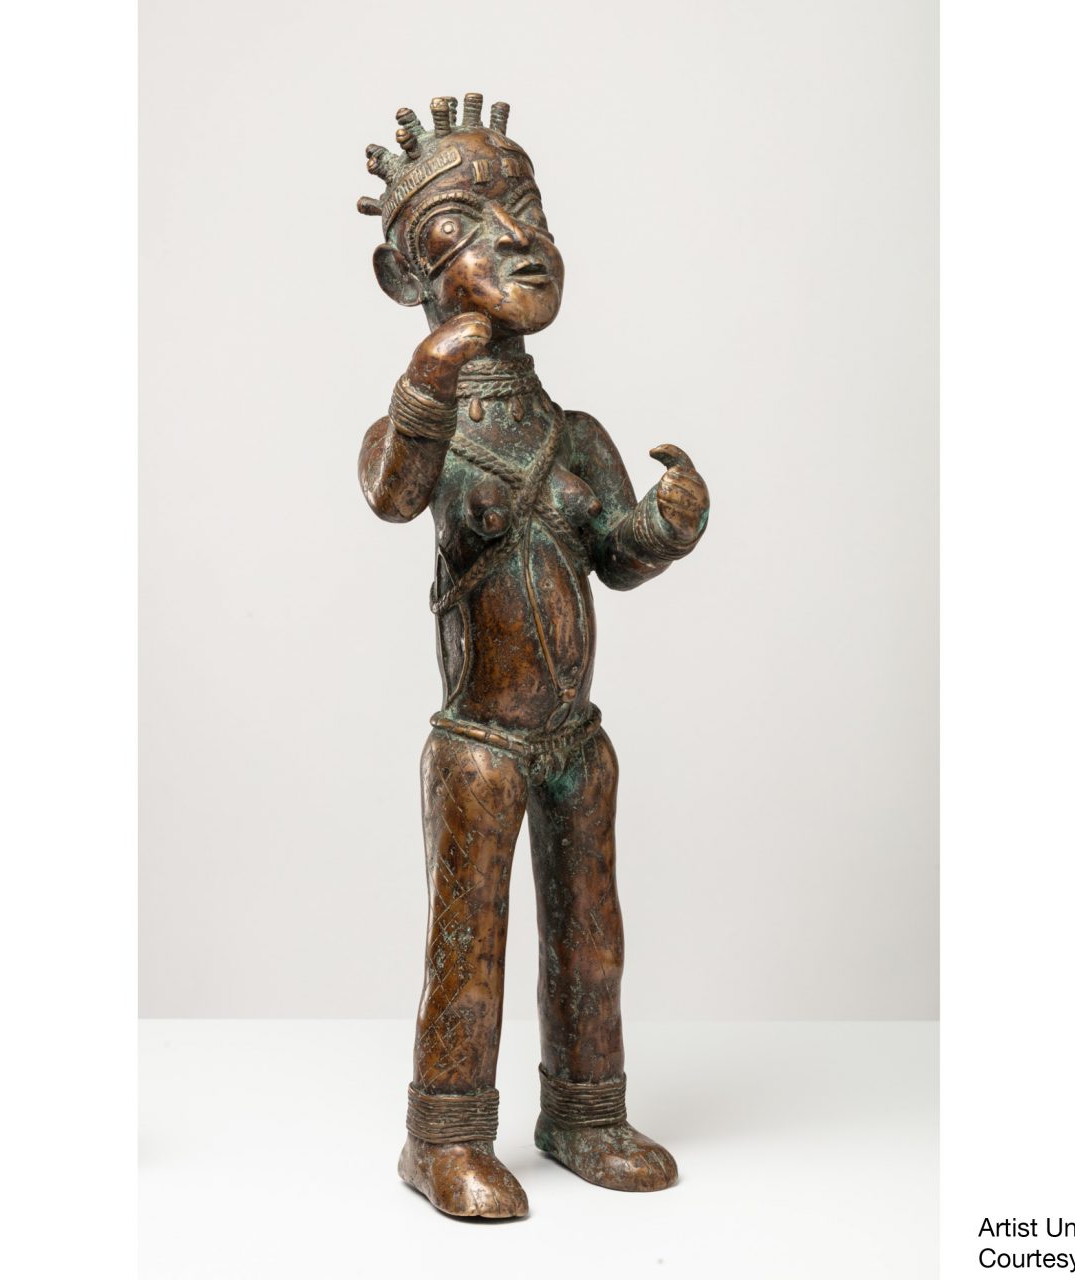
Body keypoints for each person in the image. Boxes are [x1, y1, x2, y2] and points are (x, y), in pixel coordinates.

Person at [354, 92, 709, 1220]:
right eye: (460, 227)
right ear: (404, 275)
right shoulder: (427, 426)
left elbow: (613, 557)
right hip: (480, 744)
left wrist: (662, 528)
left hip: (573, 741)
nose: (515, 239)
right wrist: (431, 371)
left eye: (528, 211)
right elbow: (390, 493)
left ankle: (586, 1113)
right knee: (469, 948)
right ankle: (444, 1136)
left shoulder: (576, 436)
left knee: (591, 936)